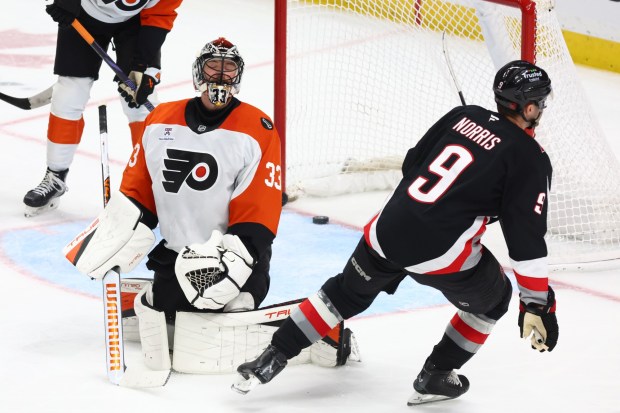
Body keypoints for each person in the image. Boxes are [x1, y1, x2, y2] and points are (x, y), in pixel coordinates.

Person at [232, 60, 559, 405]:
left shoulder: (462, 115)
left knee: (344, 293)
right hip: (440, 253)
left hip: (386, 231)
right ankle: (436, 374)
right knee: (493, 301)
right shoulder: (530, 156)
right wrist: (536, 304)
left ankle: (270, 358)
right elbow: (526, 241)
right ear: (530, 106)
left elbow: (411, 164)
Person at [63, 37, 283, 371]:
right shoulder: (161, 120)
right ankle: (155, 299)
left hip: (233, 260)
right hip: (177, 257)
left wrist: (231, 263)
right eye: (213, 67)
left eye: (228, 69)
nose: (220, 77)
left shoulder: (259, 129)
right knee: (168, 314)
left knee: (234, 306)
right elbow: (139, 194)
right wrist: (118, 229)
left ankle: (252, 312)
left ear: (238, 77)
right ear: (198, 72)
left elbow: (258, 213)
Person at [23, 0, 182, 217]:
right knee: (69, 93)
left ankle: (152, 184)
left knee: (140, 101)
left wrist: (144, 65)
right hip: (83, 14)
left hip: (135, 24)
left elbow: (160, 15)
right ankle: (55, 176)